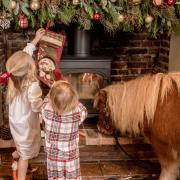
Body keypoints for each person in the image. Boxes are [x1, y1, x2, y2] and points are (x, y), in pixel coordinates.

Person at [6, 28, 45, 180]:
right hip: (27, 124)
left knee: (23, 146)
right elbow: (36, 106)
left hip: (16, 121)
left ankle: (17, 155)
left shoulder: (15, 75)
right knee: (26, 153)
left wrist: (35, 39)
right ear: (30, 68)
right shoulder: (32, 85)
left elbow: (25, 54)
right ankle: (21, 173)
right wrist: (46, 103)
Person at [41, 80, 88, 180]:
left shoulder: (46, 111)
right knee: (72, 177)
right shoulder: (77, 113)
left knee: (56, 178)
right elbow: (84, 109)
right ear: (74, 100)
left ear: (51, 99)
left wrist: (50, 92)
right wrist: (74, 101)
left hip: (54, 158)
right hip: (71, 156)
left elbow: (44, 101)